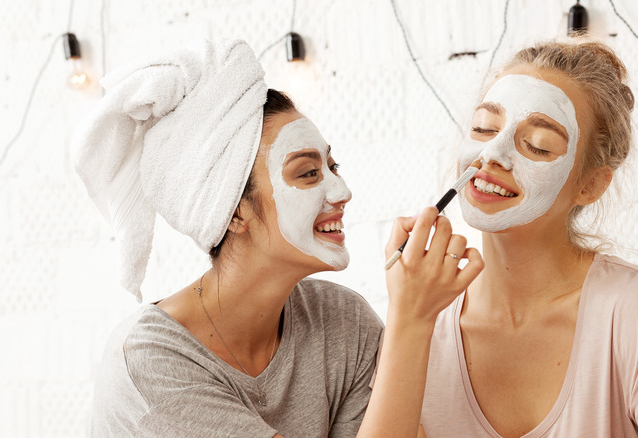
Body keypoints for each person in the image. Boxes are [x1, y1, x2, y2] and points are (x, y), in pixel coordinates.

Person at [75, 39, 482, 437]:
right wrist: (411, 319)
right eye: (307, 173)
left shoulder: (341, 321)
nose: (342, 192)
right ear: (235, 212)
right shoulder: (153, 363)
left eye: (333, 166)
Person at [416, 40, 638, 437]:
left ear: (589, 185)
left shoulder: (636, 308)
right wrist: (408, 320)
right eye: (484, 128)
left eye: (538, 145)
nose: (492, 154)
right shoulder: (422, 321)